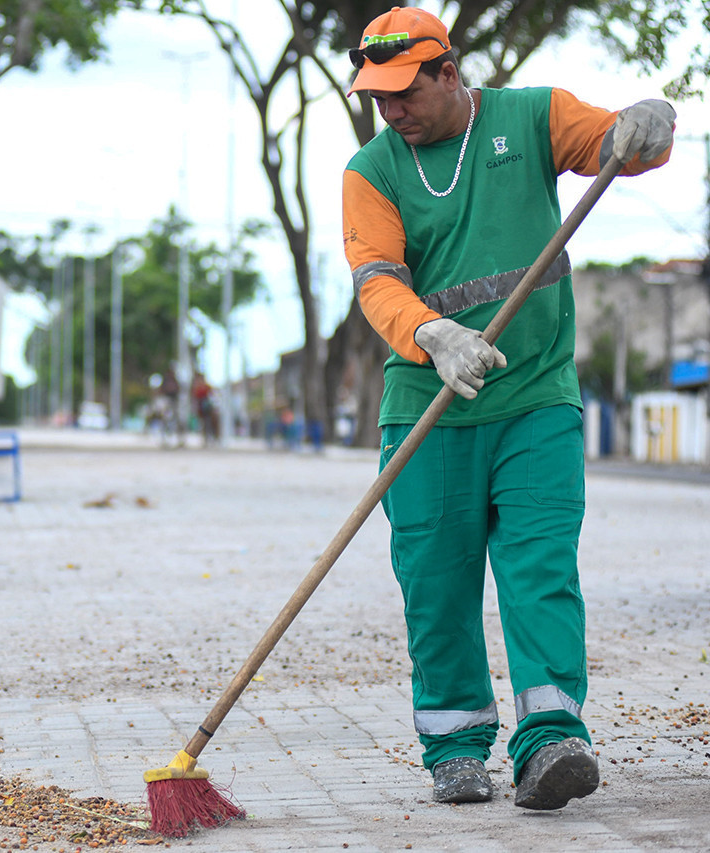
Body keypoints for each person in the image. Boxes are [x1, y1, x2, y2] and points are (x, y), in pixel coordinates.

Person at [341, 7, 674, 810]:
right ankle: (454, 746)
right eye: (376, 96)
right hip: (430, 407)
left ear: (448, 73)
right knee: (437, 584)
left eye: (404, 92)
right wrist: (432, 333)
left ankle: (551, 738)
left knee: (539, 569)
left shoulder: (533, 116)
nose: (390, 109)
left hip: (535, 400)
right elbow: (377, 279)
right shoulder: (371, 171)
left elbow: (614, 146)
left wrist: (646, 130)